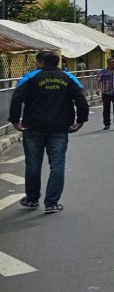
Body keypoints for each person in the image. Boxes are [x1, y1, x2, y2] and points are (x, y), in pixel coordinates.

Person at [8, 51, 89, 214]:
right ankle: (52, 203)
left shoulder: (30, 77)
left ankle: (32, 199)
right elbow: (81, 98)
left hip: (33, 127)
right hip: (60, 128)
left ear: (41, 62)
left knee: (33, 164)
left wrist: (15, 120)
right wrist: (80, 121)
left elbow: (16, 98)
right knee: (57, 165)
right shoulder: (69, 77)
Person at [96, 56, 114, 130]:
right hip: (106, 93)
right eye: (113, 62)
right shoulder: (103, 72)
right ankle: (107, 124)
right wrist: (97, 89)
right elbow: (97, 80)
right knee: (106, 109)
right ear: (108, 63)